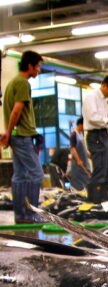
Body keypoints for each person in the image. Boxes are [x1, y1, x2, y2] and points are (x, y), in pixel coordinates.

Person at [0, 50, 46, 223]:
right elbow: (16, 110)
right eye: (38, 66)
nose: (39, 70)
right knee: (37, 174)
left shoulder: (13, 82)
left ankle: (21, 215)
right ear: (30, 66)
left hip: (17, 135)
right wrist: (8, 132)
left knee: (19, 175)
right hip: (22, 135)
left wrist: (9, 132)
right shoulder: (22, 83)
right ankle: (32, 213)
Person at [82, 74, 108, 203]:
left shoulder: (104, 101)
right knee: (100, 167)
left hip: (104, 134)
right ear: (104, 85)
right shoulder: (91, 96)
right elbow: (92, 118)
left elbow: (104, 122)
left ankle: (103, 197)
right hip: (95, 135)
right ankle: (94, 200)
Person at [68, 117, 91, 190]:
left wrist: (89, 155)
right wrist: (78, 160)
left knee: (87, 181)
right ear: (80, 124)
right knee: (78, 185)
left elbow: (83, 148)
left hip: (84, 163)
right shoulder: (74, 135)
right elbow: (73, 148)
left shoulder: (81, 134)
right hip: (78, 166)